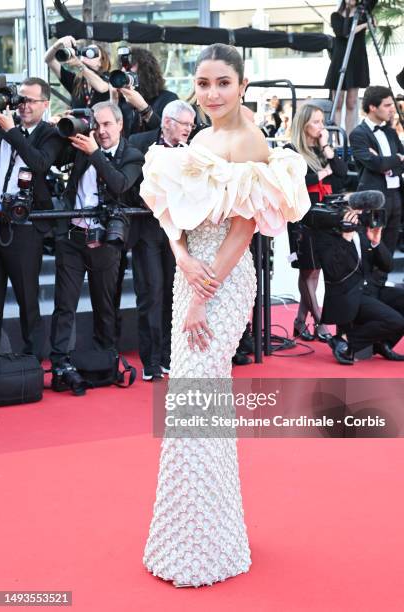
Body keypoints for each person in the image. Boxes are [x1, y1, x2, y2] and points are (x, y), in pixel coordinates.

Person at [139, 43, 310, 587]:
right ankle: (194, 528)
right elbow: (173, 211)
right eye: (204, 83)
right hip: (191, 272)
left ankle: (206, 542)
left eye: (223, 83)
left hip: (222, 282)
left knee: (197, 397)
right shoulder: (202, 138)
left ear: (241, 85)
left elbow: (241, 228)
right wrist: (183, 260)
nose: (212, 93)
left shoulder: (248, 140)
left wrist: (199, 294)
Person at [49, 102, 144, 393]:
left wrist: (94, 153)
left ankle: (105, 361)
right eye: (97, 125)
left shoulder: (132, 155)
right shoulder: (81, 146)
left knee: (105, 306)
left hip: (106, 242)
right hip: (73, 237)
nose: (101, 131)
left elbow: (119, 184)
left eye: (107, 125)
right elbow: (50, 160)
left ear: (120, 126)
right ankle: (60, 364)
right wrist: (62, 129)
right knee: (64, 305)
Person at [127, 100, 196, 380]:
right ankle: (151, 361)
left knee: (174, 294)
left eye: (191, 125)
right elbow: (130, 186)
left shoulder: (193, 153)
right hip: (147, 229)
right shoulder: (138, 142)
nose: (189, 130)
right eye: (185, 124)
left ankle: (170, 356)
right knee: (151, 294)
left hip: (178, 232)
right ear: (167, 122)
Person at [0, 77, 65, 360]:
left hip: (25, 226)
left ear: (45, 105)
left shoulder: (50, 133)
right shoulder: (1, 126)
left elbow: (39, 163)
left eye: (30, 100)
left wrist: (12, 131)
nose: (23, 105)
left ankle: (32, 362)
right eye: (20, 99)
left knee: (27, 297)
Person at [286, 103, 348, 342]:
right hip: (303, 217)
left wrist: (326, 147)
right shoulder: (291, 150)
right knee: (308, 269)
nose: (320, 126)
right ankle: (320, 322)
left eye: (322, 121)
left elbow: (342, 174)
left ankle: (300, 321)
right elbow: (293, 181)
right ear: (303, 124)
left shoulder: (322, 149)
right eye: (315, 122)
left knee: (315, 271)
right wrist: (321, 174)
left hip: (324, 216)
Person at [316, 210, 404, 364]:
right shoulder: (328, 236)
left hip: (371, 289)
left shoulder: (363, 232)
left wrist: (376, 242)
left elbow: (388, 266)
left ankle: (384, 343)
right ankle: (344, 340)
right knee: (396, 321)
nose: (358, 215)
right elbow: (333, 271)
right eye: (353, 211)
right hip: (348, 295)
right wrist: (345, 238)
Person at [350, 86, 404, 269]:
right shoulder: (358, 134)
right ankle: (370, 288)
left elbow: (395, 163)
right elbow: (376, 164)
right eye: (387, 105)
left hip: (396, 195)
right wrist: (394, 159)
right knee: (372, 243)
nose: (392, 109)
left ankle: (382, 286)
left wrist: (389, 165)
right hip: (375, 197)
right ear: (373, 107)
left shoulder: (390, 131)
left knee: (390, 244)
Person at [324, 0, 374, 135]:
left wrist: (365, 21)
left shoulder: (363, 13)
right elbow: (344, 33)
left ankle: (350, 139)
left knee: (352, 102)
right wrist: (365, 25)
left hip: (356, 59)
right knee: (338, 102)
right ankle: (337, 140)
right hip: (340, 58)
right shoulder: (336, 16)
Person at [114, 47, 178, 138]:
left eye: (129, 70)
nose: (124, 75)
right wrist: (113, 100)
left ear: (146, 74)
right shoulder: (121, 101)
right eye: (122, 70)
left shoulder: (168, 99)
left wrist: (143, 107)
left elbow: (169, 134)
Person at [44, 36, 110, 109]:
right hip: (77, 120)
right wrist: (58, 43)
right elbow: (49, 60)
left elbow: (102, 88)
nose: (87, 53)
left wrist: (80, 65)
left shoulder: (108, 78)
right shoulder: (76, 80)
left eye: (93, 52)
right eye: (86, 50)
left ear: (100, 62)